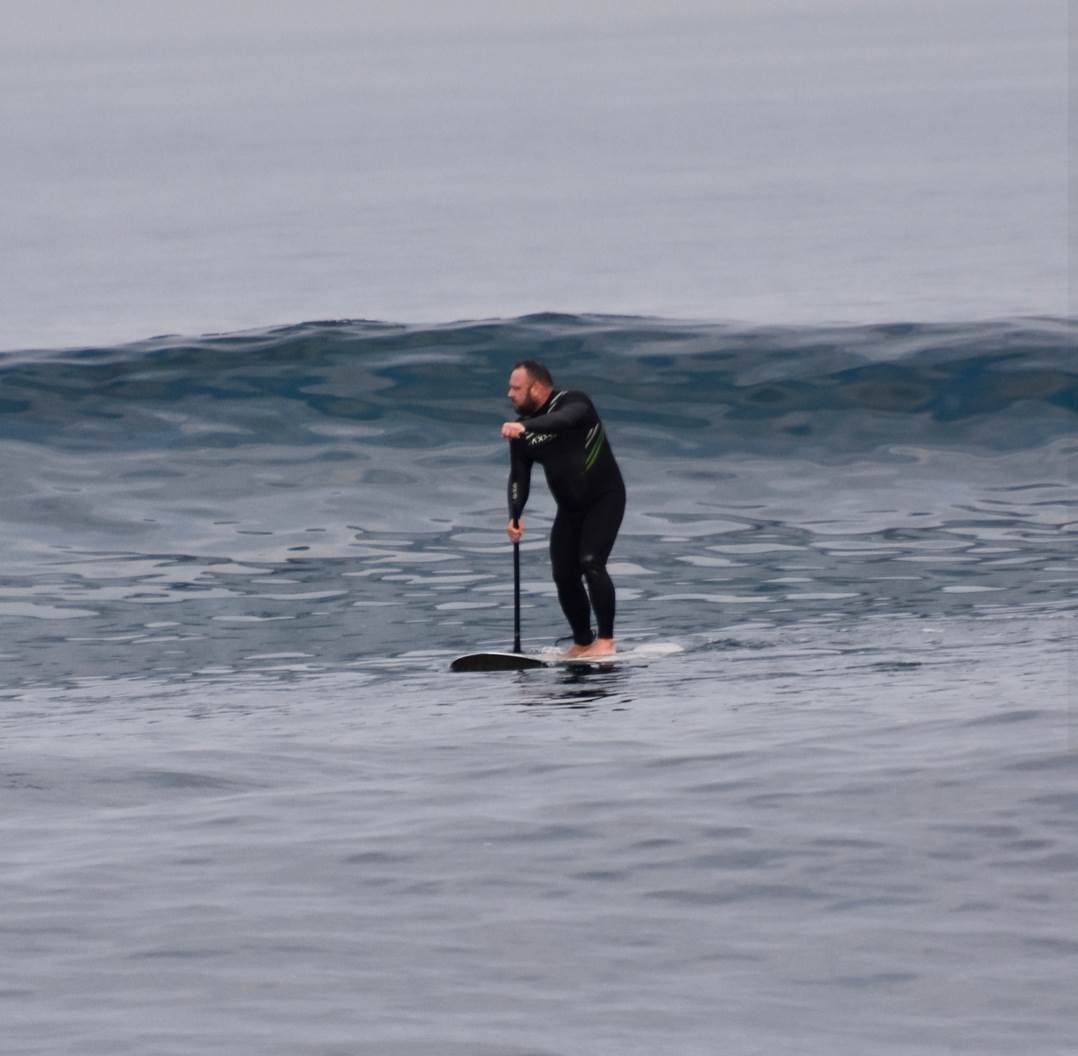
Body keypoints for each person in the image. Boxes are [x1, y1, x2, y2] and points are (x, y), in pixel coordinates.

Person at [501, 360, 626, 658]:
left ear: (536, 388)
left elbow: (564, 420)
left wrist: (525, 426)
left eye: (516, 388)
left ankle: (606, 641)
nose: (509, 394)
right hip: (569, 510)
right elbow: (519, 477)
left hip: (604, 499)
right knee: (563, 574)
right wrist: (515, 515)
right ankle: (583, 641)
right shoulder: (522, 431)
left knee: (590, 561)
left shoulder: (575, 402)